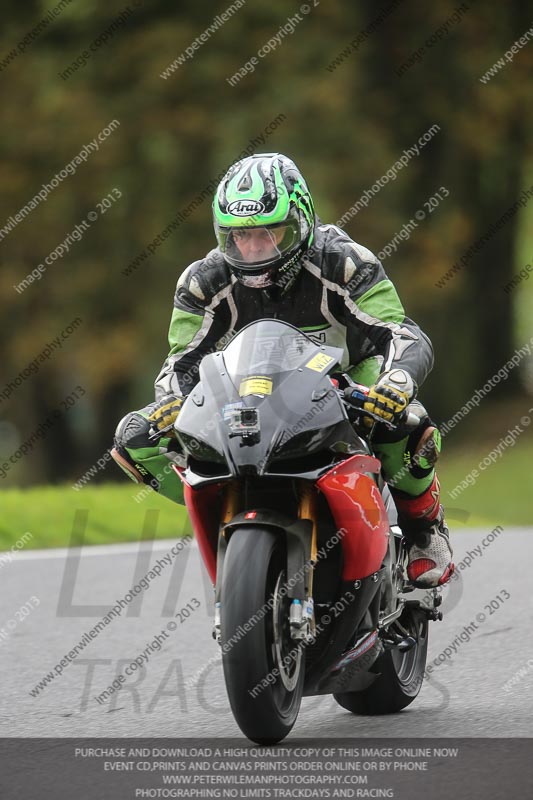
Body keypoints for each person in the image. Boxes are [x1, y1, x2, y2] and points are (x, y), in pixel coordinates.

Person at [112, 153, 453, 589]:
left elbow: (398, 331)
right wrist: (173, 403)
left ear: (300, 222)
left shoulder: (345, 262)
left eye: (269, 234)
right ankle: (224, 501)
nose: (253, 249)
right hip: (246, 391)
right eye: (239, 237)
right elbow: (183, 360)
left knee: (406, 422)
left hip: (349, 376)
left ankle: (425, 530)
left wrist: (396, 382)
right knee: (136, 439)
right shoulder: (203, 282)